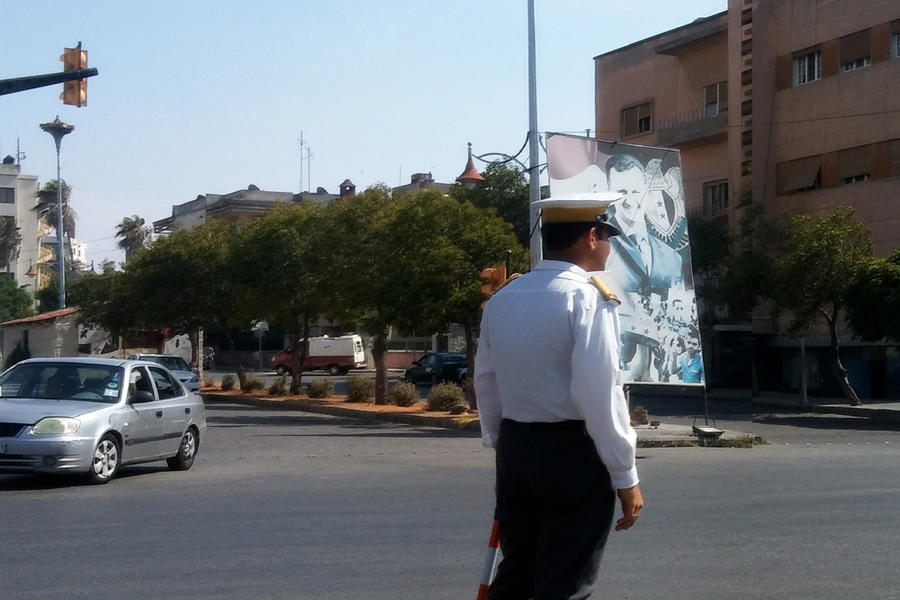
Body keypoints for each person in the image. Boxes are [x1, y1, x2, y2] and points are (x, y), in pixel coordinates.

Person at [475, 193, 643, 600]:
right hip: (571, 452)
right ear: (590, 236)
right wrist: (625, 475)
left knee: (517, 573)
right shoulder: (587, 297)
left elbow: (486, 378)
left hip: (516, 448)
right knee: (564, 583)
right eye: (607, 237)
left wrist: (505, 443)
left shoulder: (502, 300)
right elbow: (599, 393)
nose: (608, 247)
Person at [604, 153, 683, 296]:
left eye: (635, 191)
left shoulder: (673, 257)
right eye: (621, 192)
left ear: (646, 190)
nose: (629, 200)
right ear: (609, 190)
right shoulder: (598, 247)